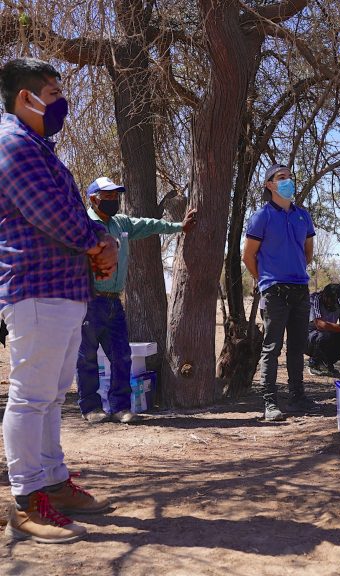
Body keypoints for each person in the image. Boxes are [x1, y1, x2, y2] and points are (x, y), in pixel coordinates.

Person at [0, 58, 119, 543]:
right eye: (50, 92)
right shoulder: (13, 144)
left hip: (63, 289)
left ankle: (53, 481)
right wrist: (97, 243)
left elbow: (72, 214)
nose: (59, 101)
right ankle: (27, 500)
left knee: (51, 396)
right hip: (36, 288)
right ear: (24, 98)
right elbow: (52, 214)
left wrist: (102, 243)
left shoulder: (39, 148)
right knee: (32, 396)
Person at [77, 176, 196, 424]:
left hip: (113, 302)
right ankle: (91, 408)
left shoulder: (121, 223)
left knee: (122, 355)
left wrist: (178, 227)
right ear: (93, 198)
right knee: (86, 357)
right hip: (88, 301)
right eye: (108, 196)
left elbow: (148, 225)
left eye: (115, 195)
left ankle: (120, 407)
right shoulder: (83, 223)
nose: (113, 200)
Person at [243, 164, 315, 421]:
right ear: (269, 185)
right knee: (272, 347)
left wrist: (295, 270)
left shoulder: (302, 216)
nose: (288, 181)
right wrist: (264, 279)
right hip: (274, 291)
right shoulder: (261, 216)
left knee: (298, 346)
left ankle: (298, 397)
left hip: (300, 288)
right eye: (281, 178)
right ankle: (270, 403)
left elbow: (308, 251)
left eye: (289, 177)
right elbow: (248, 255)